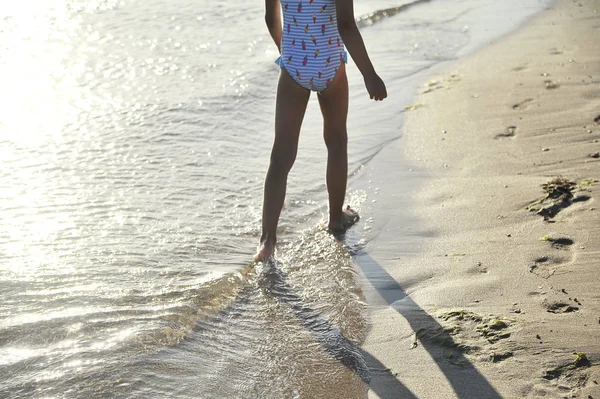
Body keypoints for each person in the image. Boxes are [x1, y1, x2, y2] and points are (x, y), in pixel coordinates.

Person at [255, 0, 387, 261]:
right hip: (329, 63)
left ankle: (267, 242)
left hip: (294, 65)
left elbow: (271, 18)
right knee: (336, 141)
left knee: (281, 156)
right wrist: (370, 74)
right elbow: (347, 25)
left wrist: (287, 49)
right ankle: (335, 219)